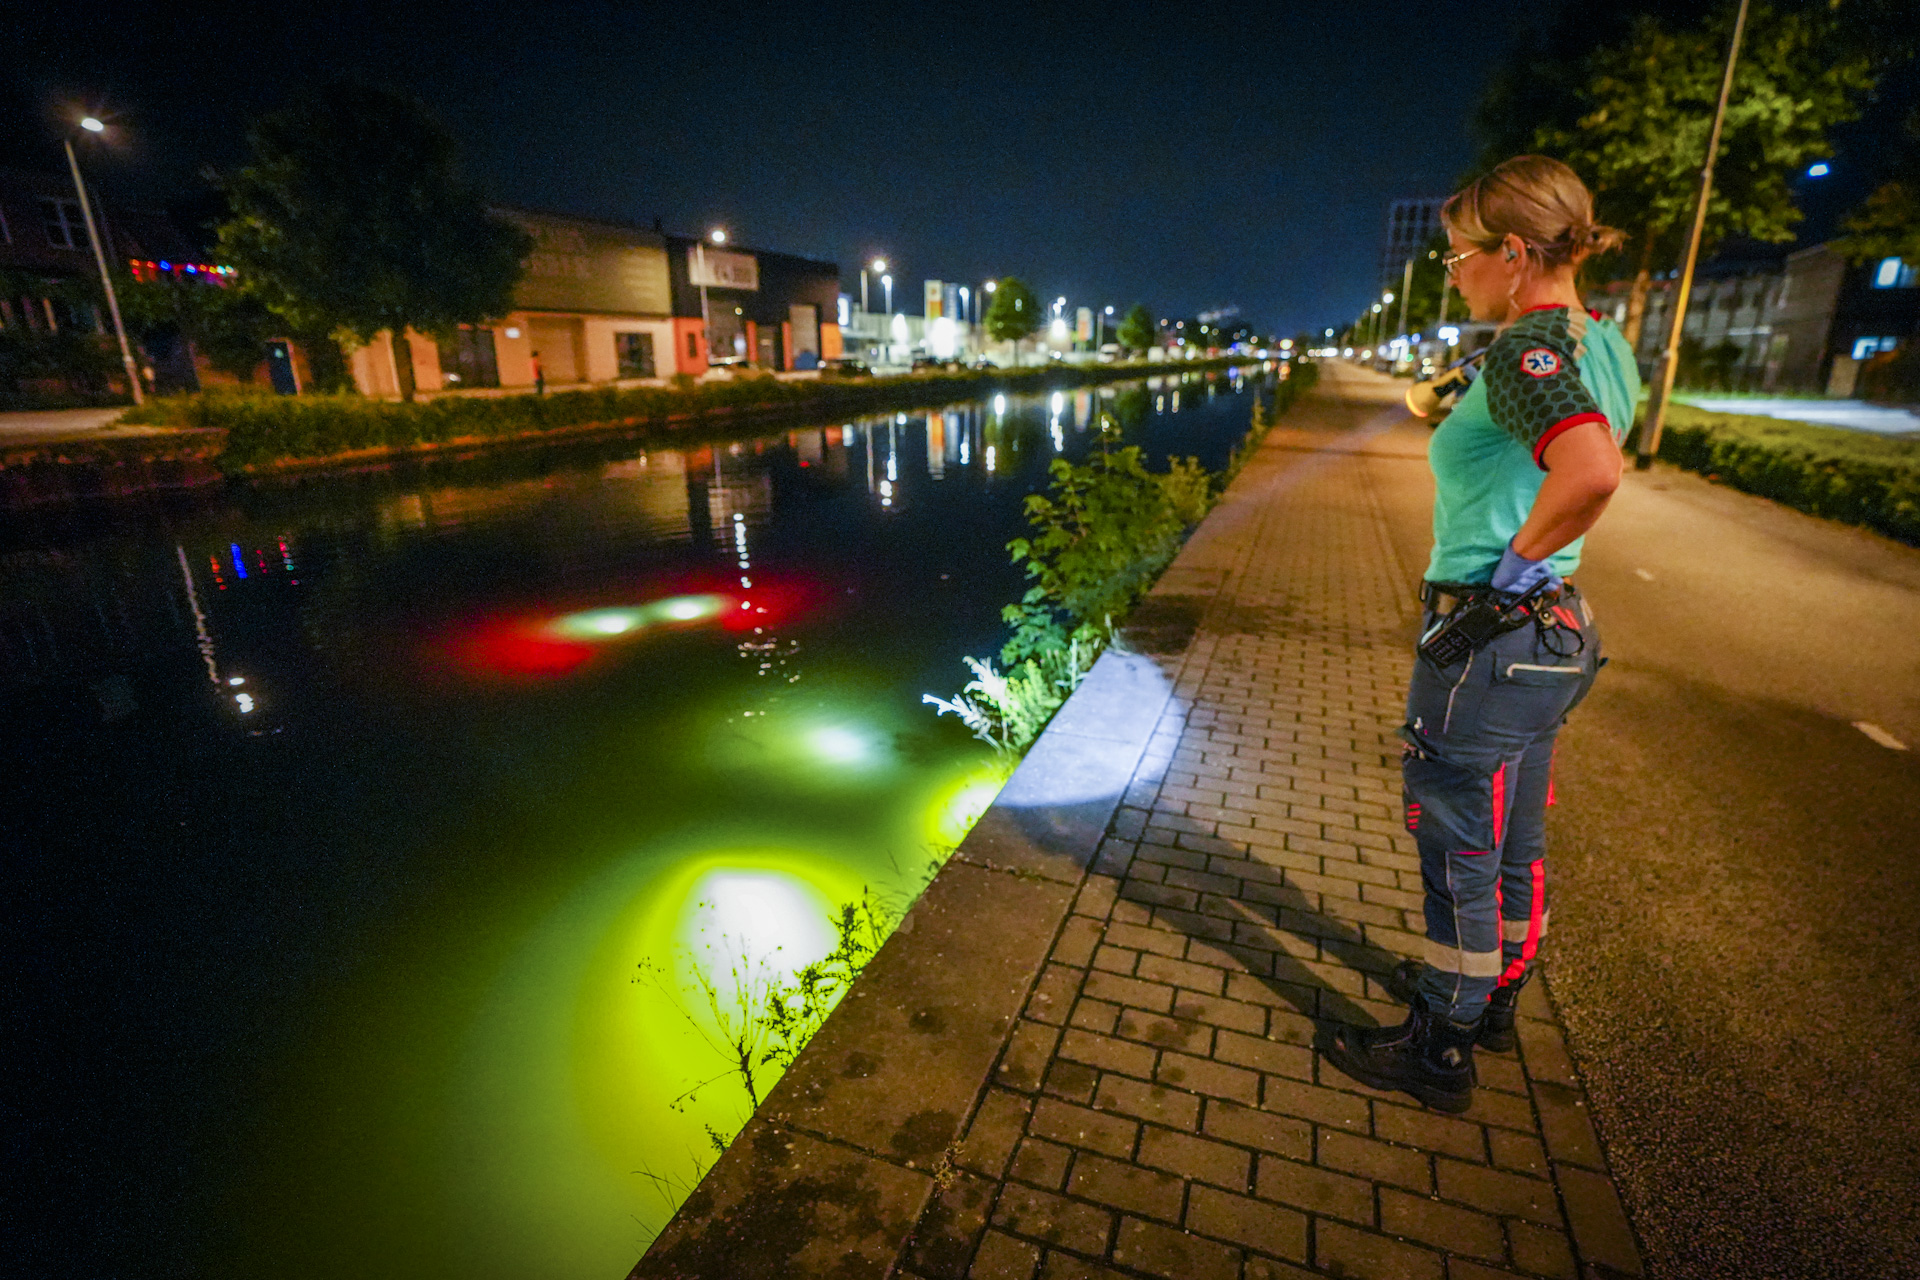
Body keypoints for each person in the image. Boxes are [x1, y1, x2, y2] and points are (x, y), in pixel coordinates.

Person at [1325, 156, 1638, 1113]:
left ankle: (1440, 1044)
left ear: (1512, 252)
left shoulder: (1528, 350)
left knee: (1458, 837)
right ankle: (1498, 997)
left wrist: (1507, 575)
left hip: (1494, 638)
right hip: (1556, 635)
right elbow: (1520, 420)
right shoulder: (1601, 340)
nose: (1452, 274)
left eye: (1459, 257)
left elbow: (1591, 469)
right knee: (1515, 836)